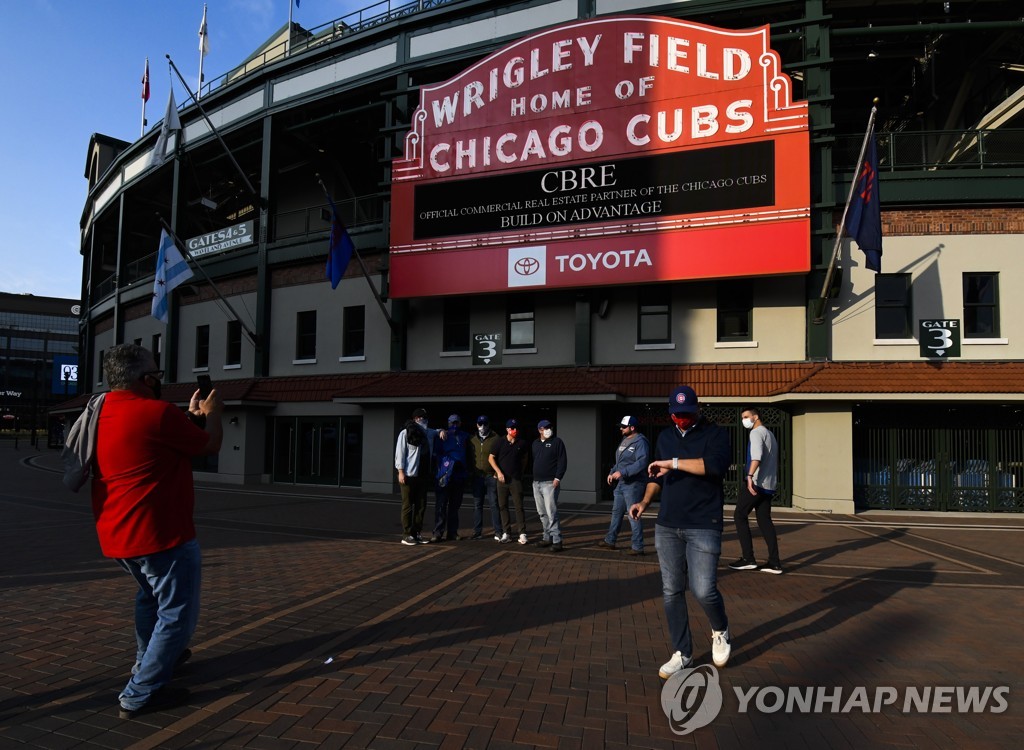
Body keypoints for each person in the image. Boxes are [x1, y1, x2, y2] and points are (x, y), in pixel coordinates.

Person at [90, 344, 223, 719]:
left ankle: (147, 662)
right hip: (161, 534)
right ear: (146, 379)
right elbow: (210, 444)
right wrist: (213, 415)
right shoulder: (158, 413)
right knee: (177, 614)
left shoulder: (101, 410)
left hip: (117, 534)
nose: (159, 380)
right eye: (158, 375)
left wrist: (193, 418)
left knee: (149, 598)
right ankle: (140, 692)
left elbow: (164, 443)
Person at [629, 385, 732, 678]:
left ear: (697, 410)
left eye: (686, 414)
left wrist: (672, 463)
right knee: (672, 590)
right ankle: (682, 652)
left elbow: (713, 466)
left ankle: (720, 629)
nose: (681, 420)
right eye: (676, 415)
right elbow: (656, 477)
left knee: (703, 589)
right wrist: (645, 501)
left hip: (703, 523)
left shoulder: (715, 435)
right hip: (668, 525)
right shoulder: (665, 437)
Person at [729, 407, 782, 574]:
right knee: (764, 520)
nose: (743, 420)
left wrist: (750, 476)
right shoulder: (770, 434)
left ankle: (748, 558)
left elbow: (756, 456)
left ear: (755, 417)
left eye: (746, 416)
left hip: (757, 483)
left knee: (739, 515)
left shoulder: (756, 433)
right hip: (768, 485)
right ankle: (774, 563)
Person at [598, 416, 650, 555]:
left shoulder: (640, 442)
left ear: (632, 427)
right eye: (620, 426)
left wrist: (623, 472)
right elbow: (620, 462)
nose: (621, 428)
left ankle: (638, 547)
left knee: (633, 514)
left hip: (633, 484)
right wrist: (612, 472)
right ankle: (610, 540)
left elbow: (642, 462)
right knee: (616, 513)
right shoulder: (624, 440)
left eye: (623, 426)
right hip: (622, 483)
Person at [395, 408, 439, 545]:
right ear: (414, 419)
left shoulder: (428, 433)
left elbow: (437, 431)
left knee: (421, 505)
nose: (423, 420)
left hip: (423, 475)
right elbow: (400, 453)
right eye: (420, 417)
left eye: (424, 417)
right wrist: (400, 472)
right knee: (408, 505)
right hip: (409, 474)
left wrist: (442, 431)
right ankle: (406, 535)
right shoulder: (405, 433)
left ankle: (416, 533)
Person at [489, 418, 530, 544]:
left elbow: (525, 459)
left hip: (515, 479)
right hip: (502, 480)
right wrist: (499, 472)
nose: (515, 430)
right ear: (507, 429)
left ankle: (522, 533)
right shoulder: (499, 442)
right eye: (512, 428)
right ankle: (507, 532)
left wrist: (520, 473)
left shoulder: (522, 443)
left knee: (519, 506)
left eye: (516, 428)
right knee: (502, 506)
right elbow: (491, 458)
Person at [431, 414, 469, 542]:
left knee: (454, 506)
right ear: (448, 423)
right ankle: (438, 532)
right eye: (452, 423)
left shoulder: (464, 436)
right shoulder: (442, 436)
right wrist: (449, 464)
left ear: (460, 423)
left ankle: (452, 532)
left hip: (459, 476)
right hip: (444, 475)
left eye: (456, 423)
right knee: (441, 505)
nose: (454, 425)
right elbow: (436, 455)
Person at [531, 419, 567, 552]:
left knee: (551, 512)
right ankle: (547, 538)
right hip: (536, 482)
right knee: (542, 513)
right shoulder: (535, 443)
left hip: (549, 483)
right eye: (544, 428)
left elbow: (562, 461)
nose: (547, 429)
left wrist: (558, 478)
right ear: (539, 430)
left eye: (549, 427)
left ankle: (557, 540)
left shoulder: (557, 442)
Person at [468, 415, 503, 541]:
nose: (482, 426)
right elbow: (469, 456)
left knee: (494, 504)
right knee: (477, 505)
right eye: (480, 424)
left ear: (489, 424)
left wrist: (496, 472)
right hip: (478, 477)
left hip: (490, 476)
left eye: (485, 423)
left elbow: (500, 457)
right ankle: (477, 531)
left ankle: (498, 531)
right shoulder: (472, 439)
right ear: (477, 424)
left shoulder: (496, 438)